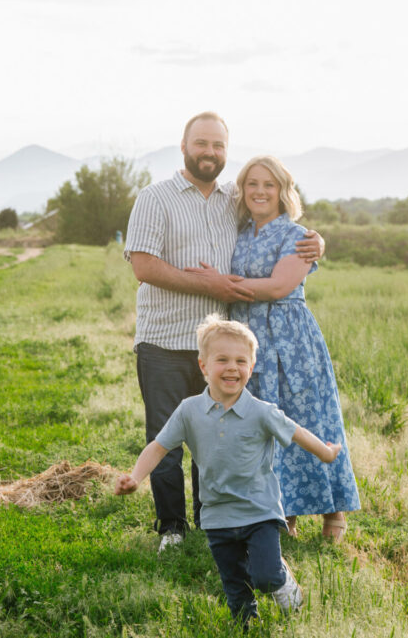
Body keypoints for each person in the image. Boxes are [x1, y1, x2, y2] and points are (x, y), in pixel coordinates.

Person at [124, 112, 323, 552]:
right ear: (183, 146)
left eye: (217, 146)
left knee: (219, 439)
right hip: (164, 339)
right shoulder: (155, 198)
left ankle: (212, 518)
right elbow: (144, 266)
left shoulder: (233, 199)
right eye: (201, 144)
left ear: (225, 152)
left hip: (218, 349)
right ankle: (173, 528)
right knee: (167, 437)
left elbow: (273, 214)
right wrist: (209, 284)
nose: (209, 153)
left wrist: (315, 244)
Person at [115, 315, 341, 627]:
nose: (232, 367)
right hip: (217, 512)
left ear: (251, 366)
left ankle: (281, 579)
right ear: (203, 366)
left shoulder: (260, 412)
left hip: (259, 510)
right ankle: (244, 626)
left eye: (241, 360)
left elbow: (297, 431)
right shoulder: (189, 410)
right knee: (235, 583)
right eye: (222, 360)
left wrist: (327, 453)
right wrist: (135, 477)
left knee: (264, 575)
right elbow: (159, 446)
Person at [188, 155, 360, 541]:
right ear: (242, 191)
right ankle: (285, 513)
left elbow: (279, 286)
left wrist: (221, 283)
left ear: (283, 191)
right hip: (246, 342)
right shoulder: (240, 231)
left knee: (310, 418)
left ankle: (335, 511)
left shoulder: (298, 236)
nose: (260, 191)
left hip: (291, 339)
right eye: (252, 184)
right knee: (266, 427)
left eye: (269, 185)